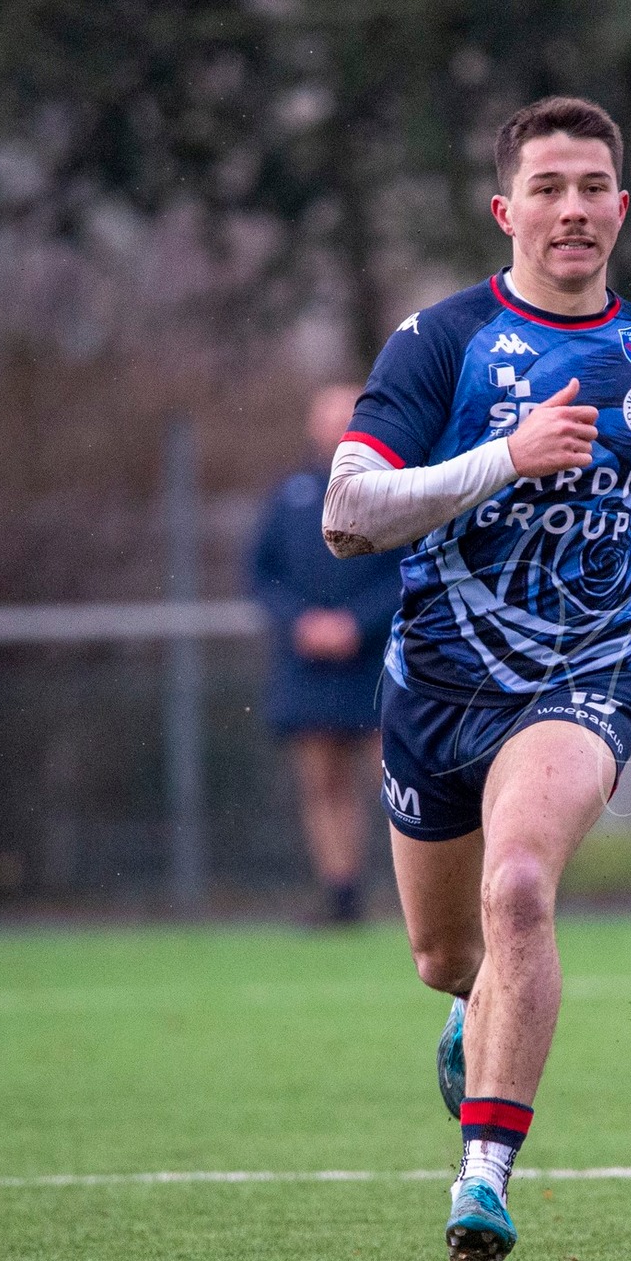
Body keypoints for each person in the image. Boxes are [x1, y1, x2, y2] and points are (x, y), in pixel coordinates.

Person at [321, 95, 631, 1261]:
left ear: (620, 209)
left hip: (582, 677)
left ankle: (483, 1177)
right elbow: (348, 511)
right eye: (547, 187)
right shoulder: (441, 340)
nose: (571, 209)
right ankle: (471, 1012)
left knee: (520, 887)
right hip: (433, 686)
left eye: (591, 189)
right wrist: (498, 462)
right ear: (504, 207)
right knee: (443, 953)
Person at [251, 384, 408, 924]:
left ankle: (420, 894)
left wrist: (355, 625)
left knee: (395, 779)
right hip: (308, 668)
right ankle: (341, 895)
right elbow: (261, 573)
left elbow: (408, 572)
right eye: (328, 417)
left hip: (377, 661)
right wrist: (301, 623)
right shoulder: (289, 495)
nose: (338, 427)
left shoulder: (392, 489)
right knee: (323, 783)